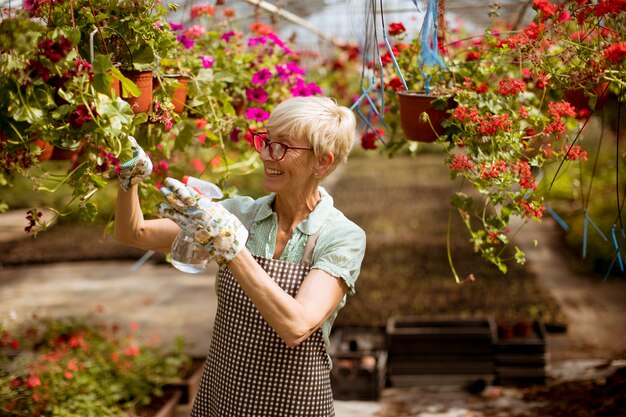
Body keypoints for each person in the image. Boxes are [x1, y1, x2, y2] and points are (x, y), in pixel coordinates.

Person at [114, 96, 366, 416]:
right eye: (266, 140)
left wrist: (233, 249)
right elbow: (133, 234)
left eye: (282, 146)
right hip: (224, 398)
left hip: (296, 405)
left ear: (322, 162)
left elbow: (296, 325)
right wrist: (128, 181)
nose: (265, 154)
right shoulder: (239, 216)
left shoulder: (342, 237)